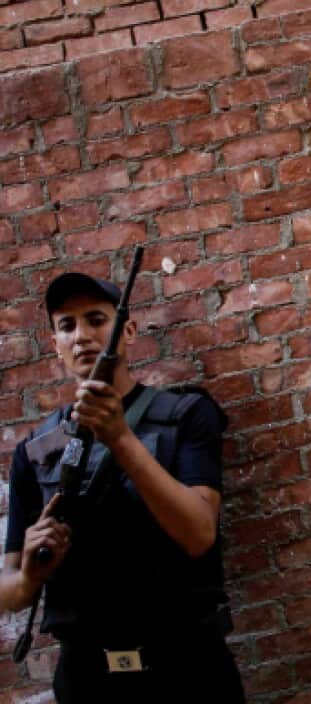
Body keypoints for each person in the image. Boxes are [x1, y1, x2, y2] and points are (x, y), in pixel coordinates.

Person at [0, 271, 244, 702]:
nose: (82, 336)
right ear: (54, 344)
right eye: (67, 325)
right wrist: (29, 578)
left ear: (127, 330)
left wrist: (120, 438)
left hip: (186, 668)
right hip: (88, 678)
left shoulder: (186, 416)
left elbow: (199, 533)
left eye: (96, 320)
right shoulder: (36, 452)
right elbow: (10, 590)